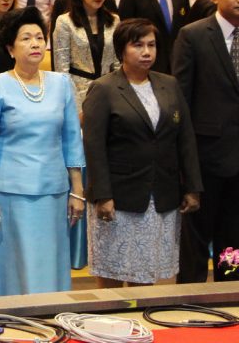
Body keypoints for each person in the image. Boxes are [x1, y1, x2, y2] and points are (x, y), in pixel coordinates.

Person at [0, 6, 85, 298]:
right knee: (8, 266)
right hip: (8, 195)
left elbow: (72, 139)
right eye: (26, 38)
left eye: (38, 37)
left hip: (53, 192)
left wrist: (77, 190)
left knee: (48, 265)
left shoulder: (61, 84)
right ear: (10, 48)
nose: (35, 44)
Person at [84, 19, 202, 287]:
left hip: (160, 194)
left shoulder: (169, 84)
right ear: (121, 50)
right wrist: (103, 195)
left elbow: (185, 138)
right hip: (119, 197)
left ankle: (140, 327)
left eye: (151, 45)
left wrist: (192, 186)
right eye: (138, 45)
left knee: (146, 273)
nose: (147, 52)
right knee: (113, 276)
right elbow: (94, 146)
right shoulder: (104, 88)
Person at [174, 0, 239, 284]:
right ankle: (190, 298)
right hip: (205, 158)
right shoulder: (194, 36)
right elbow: (181, 105)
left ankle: (229, 294)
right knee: (197, 237)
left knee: (233, 240)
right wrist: (185, 164)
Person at [53, 0, 119, 114]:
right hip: (78, 92)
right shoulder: (65, 21)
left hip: (109, 90)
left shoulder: (114, 20)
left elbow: (117, 63)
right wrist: (74, 103)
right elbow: (61, 68)